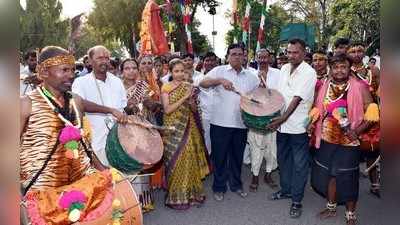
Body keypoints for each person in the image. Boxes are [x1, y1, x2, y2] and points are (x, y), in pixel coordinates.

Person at [20, 46, 128, 224]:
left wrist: (105, 171)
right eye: (64, 70)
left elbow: (84, 145)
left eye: (72, 70)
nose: (71, 75)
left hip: (83, 185)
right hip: (43, 193)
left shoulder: (75, 101)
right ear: (44, 72)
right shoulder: (26, 104)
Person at [308, 54, 376, 225]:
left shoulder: (360, 87)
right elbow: (317, 109)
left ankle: (350, 214)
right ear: (331, 68)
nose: (339, 70)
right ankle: (331, 207)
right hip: (326, 138)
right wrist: (311, 123)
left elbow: (373, 111)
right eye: (336, 67)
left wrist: (357, 130)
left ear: (349, 68)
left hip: (349, 142)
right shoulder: (324, 85)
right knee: (329, 174)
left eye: (343, 67)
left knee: (348, 177)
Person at [200, 43, 260, 201]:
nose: (237, 57)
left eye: (240, 54)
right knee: (219, 157)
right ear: (227, 57)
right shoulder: (219, 71)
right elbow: (202, 83)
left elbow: (256, 99)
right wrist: (219, 81)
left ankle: (236, 185)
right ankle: (219, 187)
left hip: (241, 124)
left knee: (236, 157)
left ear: (244, 56)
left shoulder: (252, 77)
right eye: (233, 54)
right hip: (220, 123)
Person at [267, 38, 316, 218]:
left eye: (295, 52)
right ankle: (286, 190)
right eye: (289, 52)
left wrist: (283, 118)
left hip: (298, 127)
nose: (291, 55)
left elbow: (297, 98)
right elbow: (280, 94)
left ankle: (297, 200)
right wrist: (272, 113)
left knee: (300, 164)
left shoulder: (309, 72)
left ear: (303, 53)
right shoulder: (285, 68)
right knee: (283, 160)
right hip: (282, 126)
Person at [161, 59, 210, 209]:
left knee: (189, 157)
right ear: (170, 72)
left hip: (189, 127)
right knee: (174, 159)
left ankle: (191, 193)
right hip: (172, 128)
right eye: (176, 71)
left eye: (182, 71)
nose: (180, 74)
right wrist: (184, 98)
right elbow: (167, 109)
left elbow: (195, 110)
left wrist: (191, 102)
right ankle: (176, 195)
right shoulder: (166, 87)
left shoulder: (190, 86)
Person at [72, 45, 127, 166]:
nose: (104, 61)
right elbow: (79, 103)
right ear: (90, 61)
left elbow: (123, 108)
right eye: (99, 58)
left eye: (107, 58)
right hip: (96, 143)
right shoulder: (81, 82)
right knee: (100, 180)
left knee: (120, 180)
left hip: (119, 143)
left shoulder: (117, 81)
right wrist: (110, 110)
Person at [347, 42, 381, 198]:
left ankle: (375, 185)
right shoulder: (344, 71)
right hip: (350, 117)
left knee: (371, 152)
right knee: (349, 153)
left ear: (365, 52)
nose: (356, 54)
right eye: (352, 51)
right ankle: (347, 185)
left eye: (359, 50)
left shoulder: (373, 71)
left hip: (370, 117)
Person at [248, 49, 280, 192]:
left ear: (270, 58)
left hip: (273, 117)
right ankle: (255, 176)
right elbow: (247, 97)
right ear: (256, 58)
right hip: (255, 118)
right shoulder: (250, 75)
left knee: (271, 148)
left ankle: (268, 174)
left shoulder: (278, 74)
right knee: (256, 147)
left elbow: (280, 94)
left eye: (265, 57)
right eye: (259, 57)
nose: (262, 60)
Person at [192, 51, 218, 155]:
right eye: (207, 60)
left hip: (221, 116)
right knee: (206, 139)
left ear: (216, 62)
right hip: (205, 115)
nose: (210, 63)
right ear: (203, 62)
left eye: (212, 60)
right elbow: (193, 95)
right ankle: (208, 161)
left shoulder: (222, 77)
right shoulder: (198, 78)